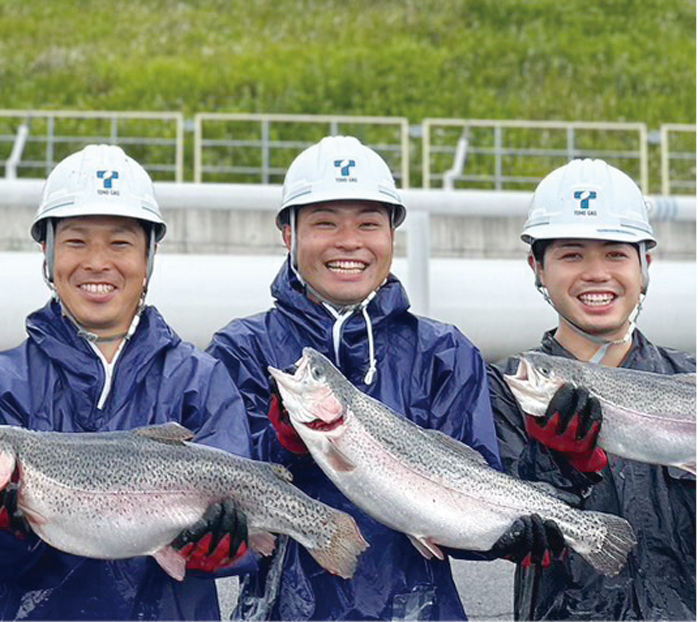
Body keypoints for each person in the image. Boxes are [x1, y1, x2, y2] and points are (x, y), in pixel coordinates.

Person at [208, 135, 565, 622]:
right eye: (325, 223)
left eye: (369, 224)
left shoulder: (445, 351)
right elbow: (220, 502)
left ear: (392, 236)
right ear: (288, 233)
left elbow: (472, 496)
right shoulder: (241, 349)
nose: (349, 241)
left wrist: (506, 535)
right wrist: (285, 444)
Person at [0, 144, 254, 622]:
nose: (98, 262)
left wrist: (226, 545)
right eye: (77, 241)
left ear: (150, 256)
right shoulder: (2, 382)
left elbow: (241, 530)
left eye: (121, 243)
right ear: (47, 251)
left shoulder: (200, 381)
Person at [489, 158, 695, 622]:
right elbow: (499, 532)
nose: (597, 272)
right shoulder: (506, 389)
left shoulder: (690, 379)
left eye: (616, 253)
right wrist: (560, 466)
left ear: (646, 265)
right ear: (537, 267)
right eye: (572, 254)